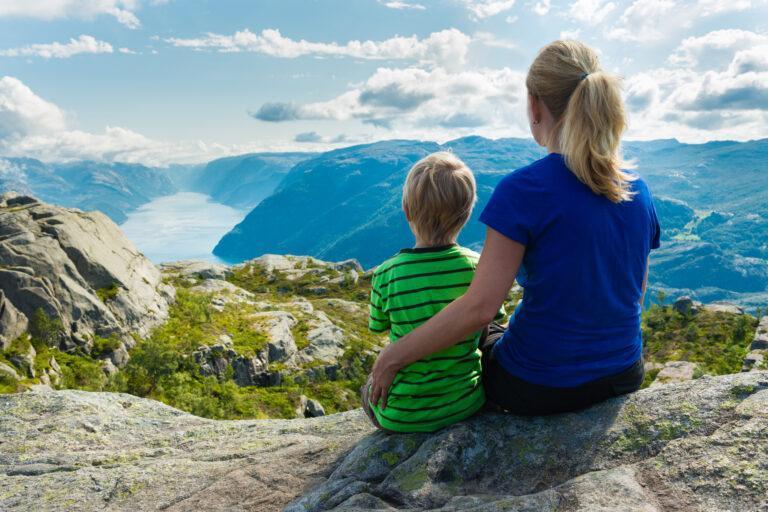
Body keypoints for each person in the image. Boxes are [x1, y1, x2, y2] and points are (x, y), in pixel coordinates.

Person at [368, 39, 662, 416]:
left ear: (535, 105)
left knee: (482, 338)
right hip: (623, 372)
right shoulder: (636, 187)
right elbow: (633, 294)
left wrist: (392, 357)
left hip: (539, 385)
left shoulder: (523, 190)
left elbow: (479, 309)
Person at [361, 151, 505, 433]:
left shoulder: (386, 273)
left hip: (402, 416)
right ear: (466, 214)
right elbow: (486, 324)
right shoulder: (477, 267)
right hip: (466, 403)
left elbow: (379, 325)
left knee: (367, 389)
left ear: (406, 210)